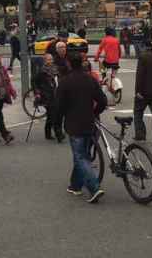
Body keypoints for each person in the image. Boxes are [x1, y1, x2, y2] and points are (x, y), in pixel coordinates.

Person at [54, 52, 107, 203]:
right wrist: (94, 113)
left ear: (69, 64)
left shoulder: (65, 82)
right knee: (83, 154)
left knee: (80, 156)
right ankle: (75, 185)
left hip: (73, 123)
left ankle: (94, 188)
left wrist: (59, 121)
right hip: (90, 122)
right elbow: (102, 100)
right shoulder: (90, 79)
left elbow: (58, 106)